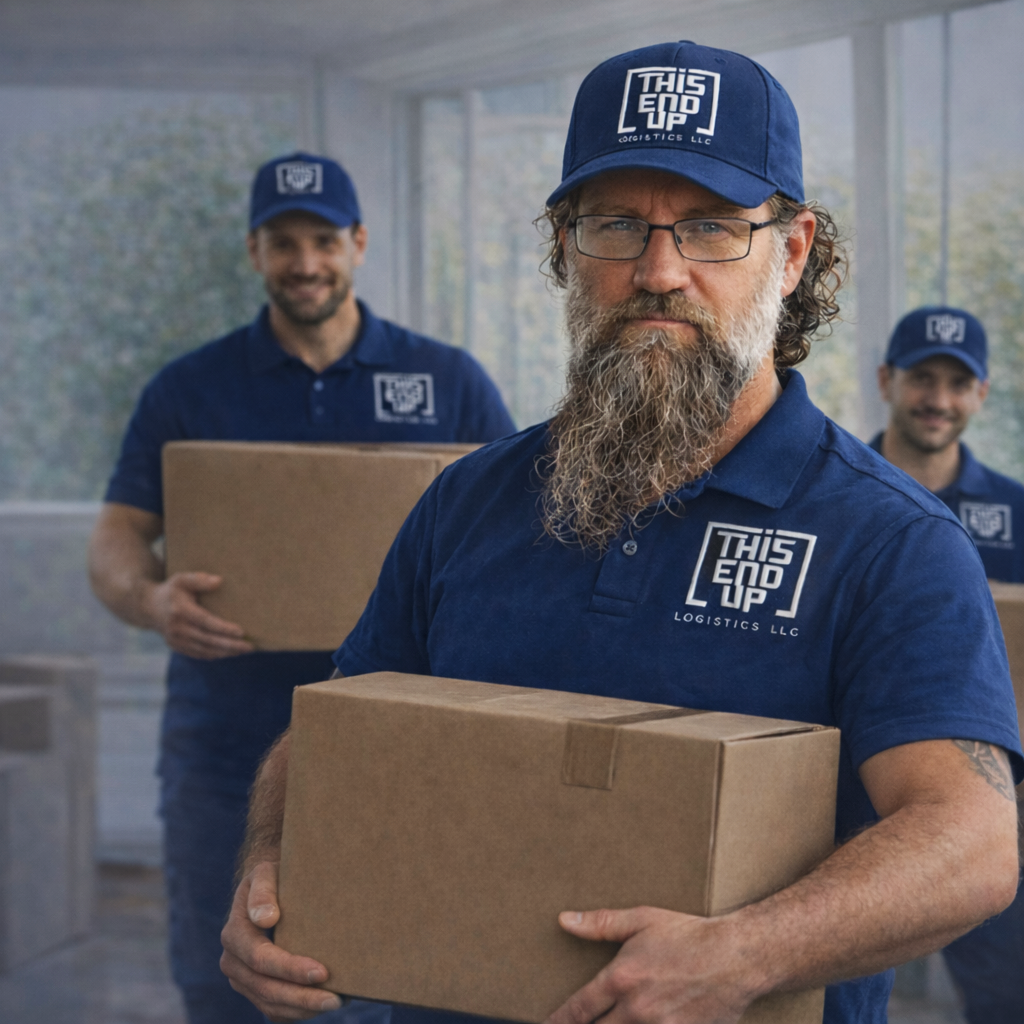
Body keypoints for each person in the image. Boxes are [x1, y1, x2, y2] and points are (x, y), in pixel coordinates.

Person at [220, 44, 1021, 1024]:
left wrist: (738, 956)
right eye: (614, 226)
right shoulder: (466, 501)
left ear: (795, 248)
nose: (658, 271)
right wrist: (271, 860)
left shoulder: (889, 541)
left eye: (712, 228)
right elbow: (336, 730)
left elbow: (973, 840)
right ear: (562, 246)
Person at [88, 152, 515, 1024]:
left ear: (358, 244)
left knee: (371, 981)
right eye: (284, 242)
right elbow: (118, 537)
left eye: (324, 239)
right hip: (223, 747)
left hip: (396, 749)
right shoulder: (189, 389)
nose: (306, 262)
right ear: (255, 252)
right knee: (222, 983)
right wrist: (153, 601)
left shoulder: (447, 382)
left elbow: (519, 534)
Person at [873, 306, 1024, 1024]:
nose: (938, 398)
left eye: (957, 383)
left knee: (1006, 981)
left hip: (984, 788)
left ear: (982, 395)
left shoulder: (1014, 514)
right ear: (887, 381)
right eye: (922, 378)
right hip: (849, 769)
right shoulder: (842, 498)